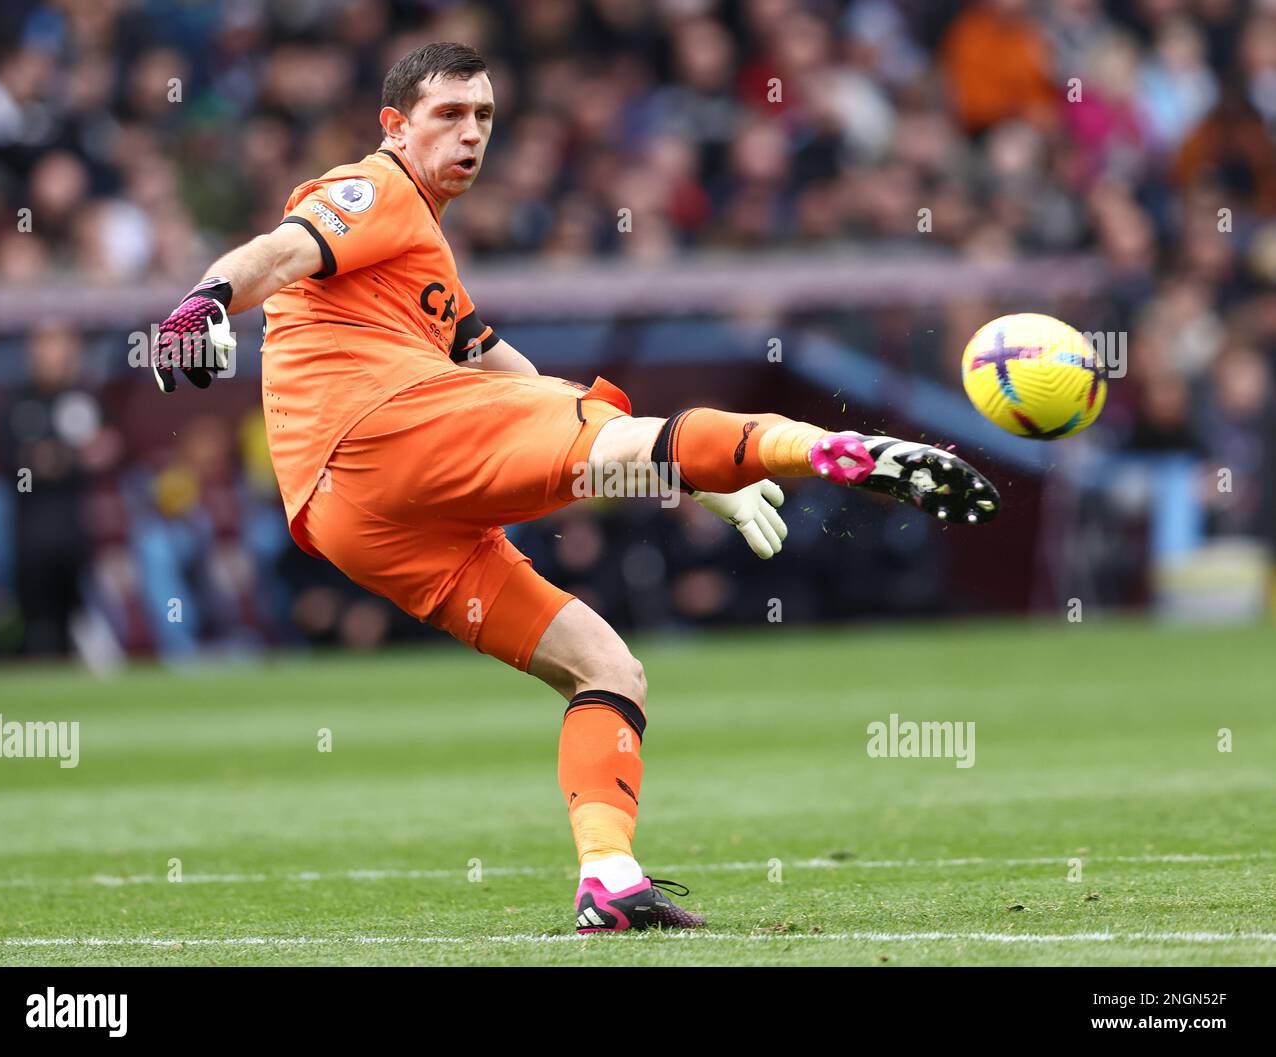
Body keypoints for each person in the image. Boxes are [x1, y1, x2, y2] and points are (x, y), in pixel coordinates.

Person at [148, 42, 999, 933]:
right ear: (395, 125)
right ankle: (836, 450)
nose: (470, 133)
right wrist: (200, 303)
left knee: (606, 666)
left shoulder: (423, 253)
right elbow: (281, 251)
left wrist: (681, 474)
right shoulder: (377, 188)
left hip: (353, 519)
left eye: (483, 116)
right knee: (617, 432)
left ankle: (610, 882)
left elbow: (496, 365)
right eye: (449, 114)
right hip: (376, 434)